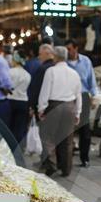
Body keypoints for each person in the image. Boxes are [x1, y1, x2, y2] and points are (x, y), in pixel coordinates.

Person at [37, 46, 82, 177]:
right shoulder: (74, 73)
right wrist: (78, 112)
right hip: (70, 106)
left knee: (48, 136)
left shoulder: (51, 71)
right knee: (67, 139)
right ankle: (66, 168)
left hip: (54, 106)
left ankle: (52, 164)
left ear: (55, 57)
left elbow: (45, 91)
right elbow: (78, 94)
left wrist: (41, 108)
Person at [66, 39, 99, 168]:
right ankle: (66, 158)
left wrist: (94, 96)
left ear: (76, 48)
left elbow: (91, 80)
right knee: (67, 128)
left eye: (69, 49)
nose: (67, 52)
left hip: (83, 95)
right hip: (68, 96)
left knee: (84, 129)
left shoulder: (85, 61)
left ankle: (84, 158)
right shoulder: (64, 63)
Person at [6, 51, 32, 146]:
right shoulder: (27, 74)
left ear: (15, 60)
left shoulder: (10, 72)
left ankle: (9, 146)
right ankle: (18, 147)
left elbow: (8, 87)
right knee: (20, 127)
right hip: (23, 102)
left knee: (9, 126)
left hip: (11, 100)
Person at [28, 44, 55, 116]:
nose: (39, 57)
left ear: (47, 54)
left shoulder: (42, 69)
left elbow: (36, 88)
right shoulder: (57, 67)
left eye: (40, 54)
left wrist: (32, 106)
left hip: (43, 108)